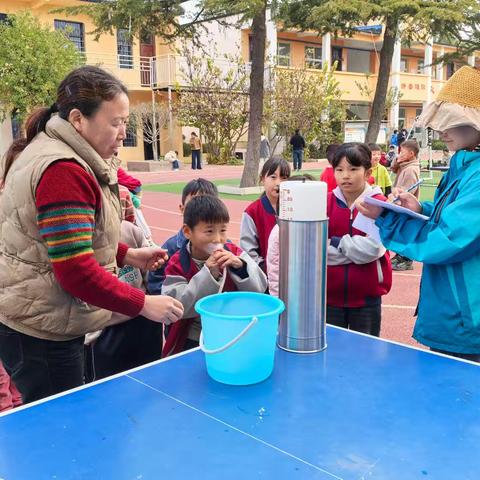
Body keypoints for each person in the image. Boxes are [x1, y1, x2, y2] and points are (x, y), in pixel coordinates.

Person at [0, 66, 184, 403]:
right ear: (78, 119)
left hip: (39, 318)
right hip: (40, 331)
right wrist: (143, 304)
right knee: (62, 431)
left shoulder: (62, 154)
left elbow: (58, 241)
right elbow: (75, 270)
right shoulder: (63, 170)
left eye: (125, 122)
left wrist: (126, 254)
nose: (122, 132)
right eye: (115, 122)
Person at [357, 66, 480, 361]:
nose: (441, 131)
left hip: (467, 319)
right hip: (457, 311)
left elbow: (450, 239)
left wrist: (388, 218)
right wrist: (419, 208)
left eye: (450, 122)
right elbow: (456, 219)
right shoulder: (464, 164)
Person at [161, 195, 268, 356]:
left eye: (223, 230)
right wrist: (208, 273)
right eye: (209, 231)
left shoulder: (234, 252)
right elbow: (177, 307)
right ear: (188, 231)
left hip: (233, 333)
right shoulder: (178, 263)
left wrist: (240, 267)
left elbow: (260, 288)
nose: (218, 239)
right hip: (193, 338)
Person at [84, 186, 163, 381]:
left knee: (150, 378)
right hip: (105, 331)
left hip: (142, 321)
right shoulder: (83, 242)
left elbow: (149, 275)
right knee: (107, 389)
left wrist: (157, 264)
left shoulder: (130, 231)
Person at [326, 143, 392, 336]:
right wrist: (355, 253)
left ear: (367, 172)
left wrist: (337, 243)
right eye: (339, 170)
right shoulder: (324, 202)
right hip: (329, 298)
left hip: (367, 300)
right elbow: (316, 249)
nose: (345, 175)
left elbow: (374, 249)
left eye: (353, 169)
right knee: (331, 355)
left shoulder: (380, 204)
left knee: (365, 356)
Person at [147, 178, 219, 295]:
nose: (201, 211)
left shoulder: (226, 247)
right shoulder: (170, 248)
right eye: (193, 204)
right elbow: (156, 285)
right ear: (182, 209)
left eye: (208, 204)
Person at [267, 174, 315, 297]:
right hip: (289, 296)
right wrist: (279, 298)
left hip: (313, 292)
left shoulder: (316, 227)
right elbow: (274, 271)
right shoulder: (280, 232)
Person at [240, 157, 291, 271]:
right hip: (265, 277)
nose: (278, 183)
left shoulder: (294, 208)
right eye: (273, 177)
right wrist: (266, 269)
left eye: (284, 178)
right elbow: (248, 251)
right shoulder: (252, 212)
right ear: (262, 178)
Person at [390, 139, 421, 271]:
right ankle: (400, 256)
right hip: (401, 207)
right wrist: (397, 160)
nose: (399, 154)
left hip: (406, 208)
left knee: (405, 233)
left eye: (402, 152)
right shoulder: (404, 166)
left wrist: (396, 200)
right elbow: (393, 168)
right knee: (400, 232)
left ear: (411, 154)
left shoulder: (410, 170)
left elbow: (407, 191)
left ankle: (406, 259)